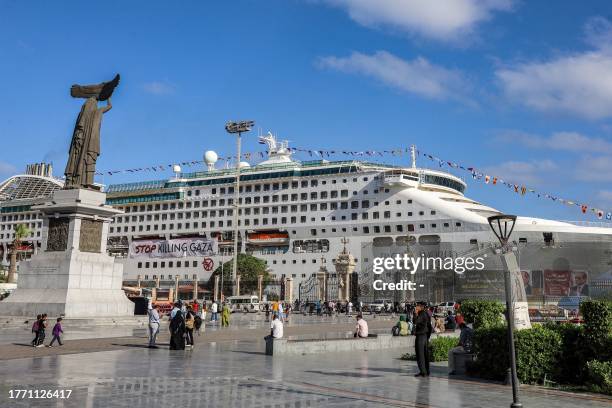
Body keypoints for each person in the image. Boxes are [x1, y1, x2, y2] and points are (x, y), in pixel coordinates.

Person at [414, 302, 432, 377]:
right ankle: (426, 371)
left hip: (420, 336)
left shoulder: (421, 314)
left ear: (420, 307)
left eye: (417, 306)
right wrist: (427, 336)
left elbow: (416, 321)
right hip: (425, 336)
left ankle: (423, 371)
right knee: (425, 354)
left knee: (420, 354)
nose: (416, 307)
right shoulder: (427, 314)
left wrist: (415, 313)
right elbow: (430, 327)